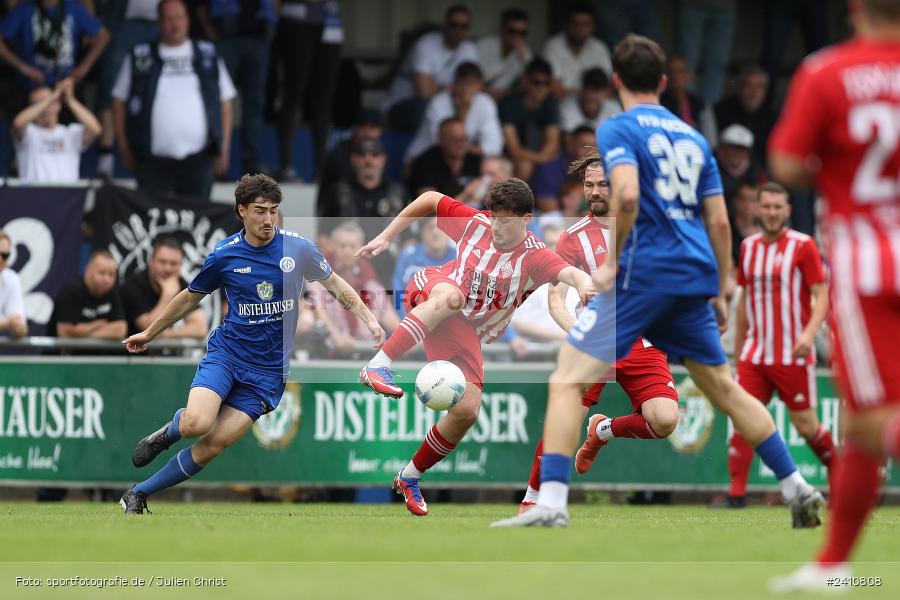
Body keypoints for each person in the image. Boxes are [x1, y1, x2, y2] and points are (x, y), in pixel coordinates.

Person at [491, 34, 824, 529]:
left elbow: (625, 198)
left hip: (643, 276)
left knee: (566, 382)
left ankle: (551, 505)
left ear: (617, 81)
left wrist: (611, 265)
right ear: (665, 83)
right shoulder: (692, 137)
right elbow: (719, 220)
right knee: (726, 390)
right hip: (692, 275)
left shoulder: (619, 129)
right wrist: (722, 285)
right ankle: (796, 487)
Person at [118, 174, 385, 514]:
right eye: (260, 211)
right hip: (227, 356)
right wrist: (149, 333)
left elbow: (336, 285)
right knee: (197, 424)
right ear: (241, 210)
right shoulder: (225, 254)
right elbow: (189, 298)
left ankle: (138, 494)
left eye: (273, 210)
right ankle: (169, 431)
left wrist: (369, 319)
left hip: (268, 374)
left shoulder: (298, 248)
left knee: (213, 445)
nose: (268, 219)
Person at [356, 181, 594, 516]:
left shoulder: (535, 255)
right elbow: (429, 198)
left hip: (463, 328)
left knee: (467, 411)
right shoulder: (475, 223)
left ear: (527, 219)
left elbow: (570, 273)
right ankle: (377, 365)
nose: (497, 226)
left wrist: (586, 285)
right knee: (453, 297)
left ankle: (409, 477)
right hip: (433, 289)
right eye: (495, 217)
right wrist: (386, 235)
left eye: (507, 221)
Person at [767, 0, 900, 589]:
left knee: (872, 424)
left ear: (853, 8)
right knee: (859, 428)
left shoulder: (827, 71)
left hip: (867, 266)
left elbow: (788, 161)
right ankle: (833, 568)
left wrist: (835, 158)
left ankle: (832, 566)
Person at [516, 155, 678, 513]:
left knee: (665, 420)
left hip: (640, 338)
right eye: (588, 185)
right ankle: (532, 500)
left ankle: (603, 431)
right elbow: (556, 299)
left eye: (602, 184)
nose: (594, 191)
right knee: (566, 418)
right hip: (594, 340)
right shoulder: (573, 239)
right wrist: (578, 333)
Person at [716, 182, 834, 510]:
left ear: (787, 210)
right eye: (765, 206)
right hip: (755, 354)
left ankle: (839, 478)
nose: (771, 212)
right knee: (742, 418)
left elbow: (821, 295)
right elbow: (743, 303)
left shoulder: (803, 246)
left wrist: (809, 335)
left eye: (777, 207)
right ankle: (736, 495)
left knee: (806, 425)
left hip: (792, 352)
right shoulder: (750, 247)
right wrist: (740, 352)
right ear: (757, 209)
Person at [111, 0, 236, 199]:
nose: (175, 24)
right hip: (152, 161)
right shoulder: (139, 55)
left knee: (196, 225)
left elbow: (226, 101)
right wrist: (124, 147)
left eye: (179, 17)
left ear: (188, 20)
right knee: (154, 226)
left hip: (199, 159)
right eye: (169, 19)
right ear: (159, 22)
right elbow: (118, 102)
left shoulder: (208, 53)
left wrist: (224, 146)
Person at [196, 0, 277, 175]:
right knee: (217, 101)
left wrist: (272, 21)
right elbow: (199, 4)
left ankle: (252, 165)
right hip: (226, 37)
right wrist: (209, 29)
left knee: (255, 105)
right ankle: (215, 162)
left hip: (258, 36)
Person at [306, 222, 400, 354]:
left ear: (361, 248)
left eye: (352, 246)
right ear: (333, 247)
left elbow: (390, 318)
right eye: (342, 246)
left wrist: (404, 339)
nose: (347, 251)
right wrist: (335, 335)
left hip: (366, 352)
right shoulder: (320, 275)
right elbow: (317, 310)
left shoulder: (370, 280)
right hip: (330, 352)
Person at [383, 4, 479, 133]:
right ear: (444, 25)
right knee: (427, 108)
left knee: (478, 104)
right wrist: (455, 88)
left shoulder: (469, 49)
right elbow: (424, 93)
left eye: (463, 26)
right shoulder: (426, 44)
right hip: (404, 105)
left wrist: (440, 87)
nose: (458, 30)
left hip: (444, 102)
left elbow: (472, 87)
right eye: (453, 24)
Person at [404, 62, 503, 163]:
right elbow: (443, 146)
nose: (466, 89)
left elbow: (494, 145)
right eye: (463, 83)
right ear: (454, 84)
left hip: (458, 162)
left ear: (480, 85)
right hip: (421, 160)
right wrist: (463, 112)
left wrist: (469, 149)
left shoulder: (485, 102)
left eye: (472, 83)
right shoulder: (438, 103)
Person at [0, 0, 110, 89]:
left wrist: (84, 67)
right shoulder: (24, 9)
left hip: (66, 86)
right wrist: (24, 68)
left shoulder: (74, 8)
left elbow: (104, 36)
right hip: (32, 86)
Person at [12, 77, 99, 182]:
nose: (45, 108)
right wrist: (51, 97)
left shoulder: (70, 133)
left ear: (58, 105)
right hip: (34, 196)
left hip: (68, 197)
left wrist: (69, 99)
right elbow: (17, 123)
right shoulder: (29, 132)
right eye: (37, 104)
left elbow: (95, 129)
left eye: (50, 103)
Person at [120, 236, 208, 339]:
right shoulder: (133, 286)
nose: (168, 268)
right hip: (129, 353)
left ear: (181, 265)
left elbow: (200, 328)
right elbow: (146, 330)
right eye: (162, 262)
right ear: (151, 262)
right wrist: (167, 294)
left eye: (174, 263)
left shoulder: (181, 283)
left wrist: (167, 335)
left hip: (161, 353)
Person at [499, 57, 561, 181]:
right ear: (525, 81)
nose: (541, 88)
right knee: (525, 166)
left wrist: (541, 157)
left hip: (537, 155)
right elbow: (514, 149)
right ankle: (514, 200)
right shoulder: (509, 103)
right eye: (536, 82)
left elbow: (552, 143)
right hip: (507, 156)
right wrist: (541, 158)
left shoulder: (550, 103)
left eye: (546, 83)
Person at [50, 250, 127, 343]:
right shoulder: (72, 291)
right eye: (102, 273)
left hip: (98, 356)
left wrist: (83, 335)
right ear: (88, 271)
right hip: (63, 356)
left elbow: (120, 330)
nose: (107, 279)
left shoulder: (113, 292)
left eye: (111, 275)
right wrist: (98, 324)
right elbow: (65, 332)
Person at [542, 3, 611, 100]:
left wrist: (572, 93)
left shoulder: (599, 48)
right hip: (561, 107)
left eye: (585, 25)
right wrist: (590, 94)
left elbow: (607, 90)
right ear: (567, 24)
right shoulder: (553, 46)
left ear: (593, 27)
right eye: (575, 24)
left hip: (593, 107)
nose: (580, 29)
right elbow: (556, 93)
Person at [391, 217, 456, 318]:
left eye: (440, 227)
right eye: (430, 227)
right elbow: (399, 294)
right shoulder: (408, 257)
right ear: (422, 233)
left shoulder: (460, 256)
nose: (435, 232)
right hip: (414, 321)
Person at [715, 65, 776, 168]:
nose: (754, 92)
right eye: (749, 85)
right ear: (740, 87)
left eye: (759, 87)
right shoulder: (722, 111)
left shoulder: (772, 116)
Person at [406, 117, 481, 198]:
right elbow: (429, 206)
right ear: (441, 140)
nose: (461, 145)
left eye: (464, 139)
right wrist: (465, 195)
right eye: (455, 140)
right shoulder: (425, 162)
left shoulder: (474, 159)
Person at [320, 108, 384, 191]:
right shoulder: (339, 154)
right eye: (363, 127)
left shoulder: (383, 153)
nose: (368, 132)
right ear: (355, 128)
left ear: (380, 131)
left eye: (373, 127)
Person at [660, 54, 717, 146]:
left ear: (689, 75)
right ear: (665, 77)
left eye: (679, 72)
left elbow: (710, 142)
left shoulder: (700, 105)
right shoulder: (658, 103)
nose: (675, 76)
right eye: (671, 72)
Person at [476, 7, 532, 101]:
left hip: (506, 101)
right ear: (502, 29)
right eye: (512, 31)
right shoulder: (484, 46)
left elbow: (533, 85)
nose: (517, 37)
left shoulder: (525, 54)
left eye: (522, 33)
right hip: (480, 96)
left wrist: (522, 58)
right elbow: (471, 80)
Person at [558, 67, 621, 134]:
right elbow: (568, 140)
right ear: (581, 90)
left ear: (606, 93)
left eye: (596, 90)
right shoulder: (567, 107)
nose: (590, 95)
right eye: (587, 89)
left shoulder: (614, 109)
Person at [0, 231, 27, 339]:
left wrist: (19, 328)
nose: (0, 259)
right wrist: (7, 324)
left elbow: (21, 328)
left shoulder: (11, 279)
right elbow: (9, 323)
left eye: (5, 255)